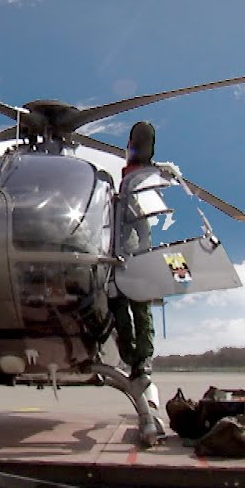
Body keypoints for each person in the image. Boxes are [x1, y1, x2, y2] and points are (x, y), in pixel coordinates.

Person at [109, 121, 159, 379]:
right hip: (114, 260)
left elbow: (142, 229)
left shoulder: (137, 186)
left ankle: (142, 357)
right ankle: (131, 356)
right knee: (118, 308)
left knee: (138, 308)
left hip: (133, 258)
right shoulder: (120, 195)